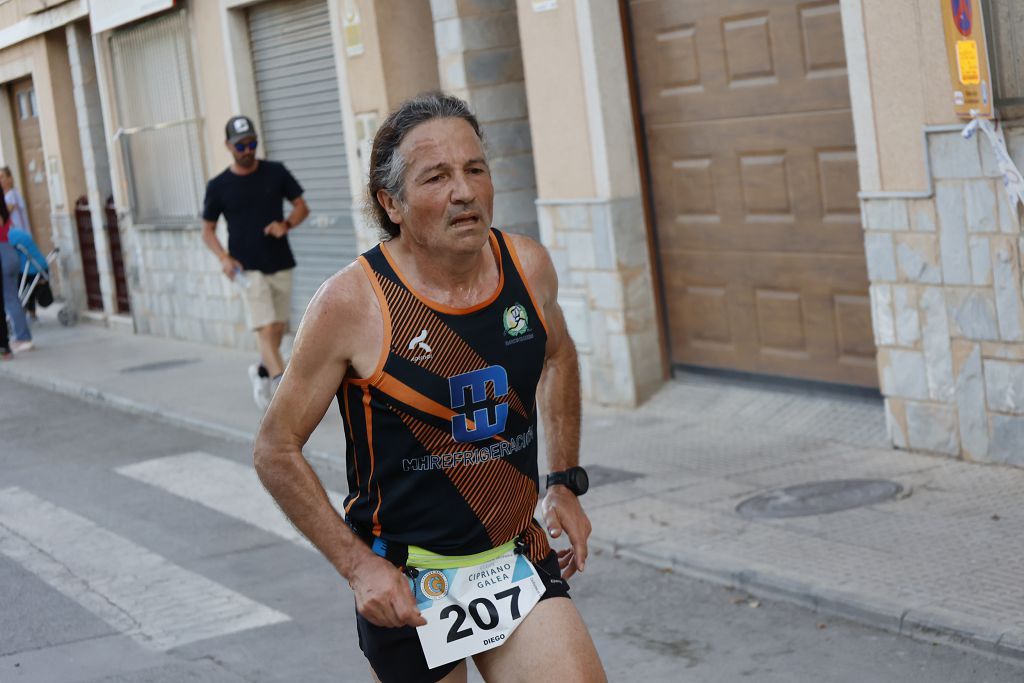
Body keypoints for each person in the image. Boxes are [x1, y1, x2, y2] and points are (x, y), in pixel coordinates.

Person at [253, 92, 606, 683]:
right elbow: (274, 448)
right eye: (437, 177)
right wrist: (358, 567)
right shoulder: (352, 303)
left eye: (474, 170)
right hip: (407, 580)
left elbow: (559, 356)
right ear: (391, 203)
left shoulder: (528, 268)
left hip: (514, 558)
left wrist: (565, 482)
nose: (464, 191)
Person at [201, 115, 309, 410]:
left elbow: (302, 206)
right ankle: (280, 386)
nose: (247, 149)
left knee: (277, 328)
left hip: (280, 261)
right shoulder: (219, 186)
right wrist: (224, 258)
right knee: (266, 326)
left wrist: (285, 225)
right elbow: (207, 231)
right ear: (228, 146)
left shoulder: (276, 172)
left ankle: (261, 370)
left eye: (251, 143)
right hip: (246, 268)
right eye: (240, 145)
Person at [0, 170, 32, 352]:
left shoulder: (10, 198)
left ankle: (23, 337)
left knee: (11, 298)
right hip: (10, 251)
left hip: (4, 253)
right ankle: (21, 334)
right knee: (13, 297)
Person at [8, 225, 50, 319]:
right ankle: (30, 313)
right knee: (25, 288)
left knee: (16, 288)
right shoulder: (16, 232)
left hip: (31, 269)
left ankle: (21, 314)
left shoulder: (8, 237)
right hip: (39, 267)